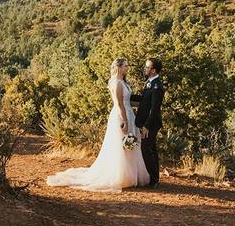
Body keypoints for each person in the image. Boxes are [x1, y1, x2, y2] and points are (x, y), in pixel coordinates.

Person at [45, 57, 150, 191]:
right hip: (121, 116)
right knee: (122, 145)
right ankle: (121, 175)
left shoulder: (123, 82)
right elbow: (119, 104)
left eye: (127, 66)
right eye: (125, 66)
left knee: (130, 143)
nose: (127, 68)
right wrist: (125, 121)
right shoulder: (117, 83)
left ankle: (130, 175)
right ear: (118, 68)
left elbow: (128, 100)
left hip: (129, 114)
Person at [132, 57, 163, 187]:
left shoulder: (157, 86)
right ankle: (155, 177)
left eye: (147, 67)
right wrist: (127, 96)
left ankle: (154, 179)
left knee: (146, 149)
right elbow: (144, 101)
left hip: (151, 124)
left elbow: (154, 109)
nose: (145, 69)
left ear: (153, 70)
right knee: (151, 149)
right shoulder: (150, 83)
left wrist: (146, 126)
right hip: (148, 123)